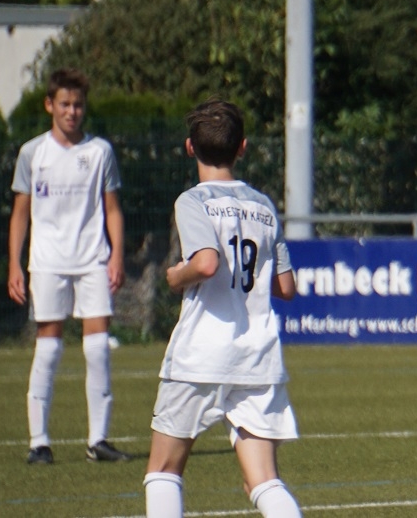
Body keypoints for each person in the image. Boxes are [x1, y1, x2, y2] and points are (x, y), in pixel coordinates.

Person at [143, 99, 302, 518]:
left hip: (201, 354)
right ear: (242, 147)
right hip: (257, 358)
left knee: (164, 470)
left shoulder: (193, 201)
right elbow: (286, 287)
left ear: (189, 147)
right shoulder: (264, 206)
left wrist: (176, 276)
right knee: (263, 480)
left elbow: (206, 263)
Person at [8, 68, 131, 464]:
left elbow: (112, 208)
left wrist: (116, 254)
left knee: (97, 349)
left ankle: (98, 440)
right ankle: (39, 442)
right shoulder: (32, 153)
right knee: (48, 347)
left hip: (92, 258)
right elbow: (20, 213)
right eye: (64, 104)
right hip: (47, 262)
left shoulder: (100, 152)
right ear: (49, 105)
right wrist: (15, 264)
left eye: (78, 105)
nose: (72, 111)